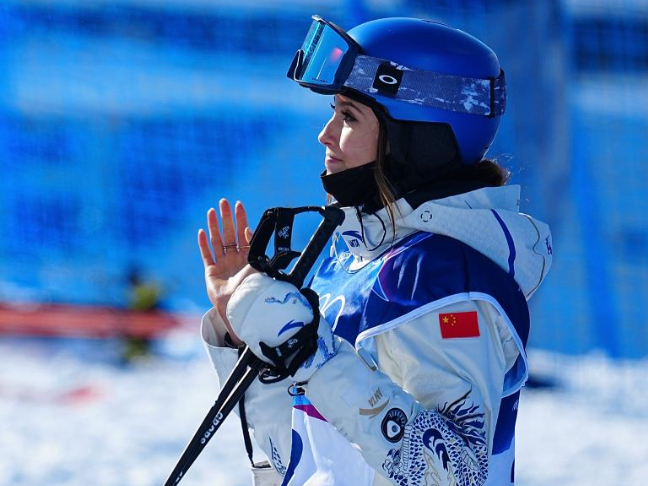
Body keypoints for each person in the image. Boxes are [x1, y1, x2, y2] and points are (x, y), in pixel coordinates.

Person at [196, 16, 552, 486]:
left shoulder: (441, 282)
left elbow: (457, 476)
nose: (325, 134)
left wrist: (312, 356)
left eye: (348, 117)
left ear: (414, 138)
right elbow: (302, 463)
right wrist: (248, 337)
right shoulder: (352, 261)